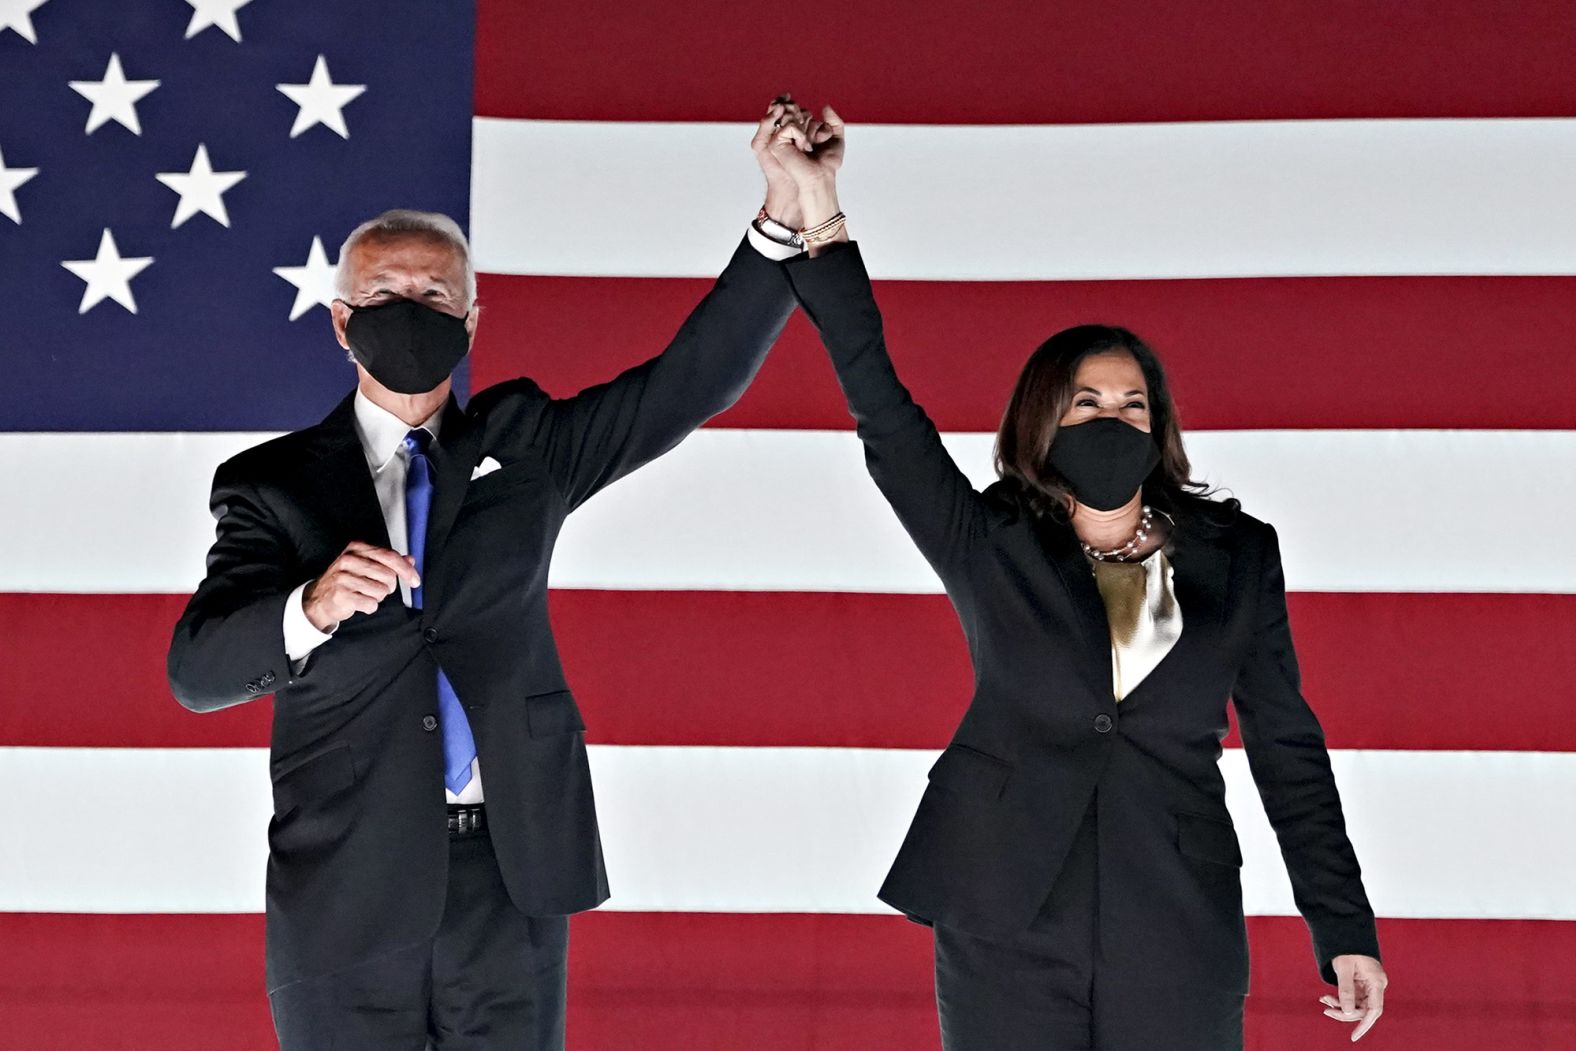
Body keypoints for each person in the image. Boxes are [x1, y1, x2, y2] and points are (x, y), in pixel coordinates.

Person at [165, 100, 817, 1049]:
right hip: (347, 885)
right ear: (341, 322)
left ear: (473, 318)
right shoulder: (271, 485)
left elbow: (689, 383)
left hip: (511, 874)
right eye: (385, 294)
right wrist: (306, 608)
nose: (411, 311)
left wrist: (782, 216)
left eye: (435, 298)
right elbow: (197, 671)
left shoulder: (528, 444)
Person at [763, 108, 1388, 1049]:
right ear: (1044, 420)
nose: (1113, 416)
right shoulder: (989, 539)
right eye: (1087, 400)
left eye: (1133, 402)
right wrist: (823, 221)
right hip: (1006, 916)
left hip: (1176, 921)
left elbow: (1287, 745)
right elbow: (888, 418)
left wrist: (1343, 926)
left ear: (1160, 424)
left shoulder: (1238, 553)